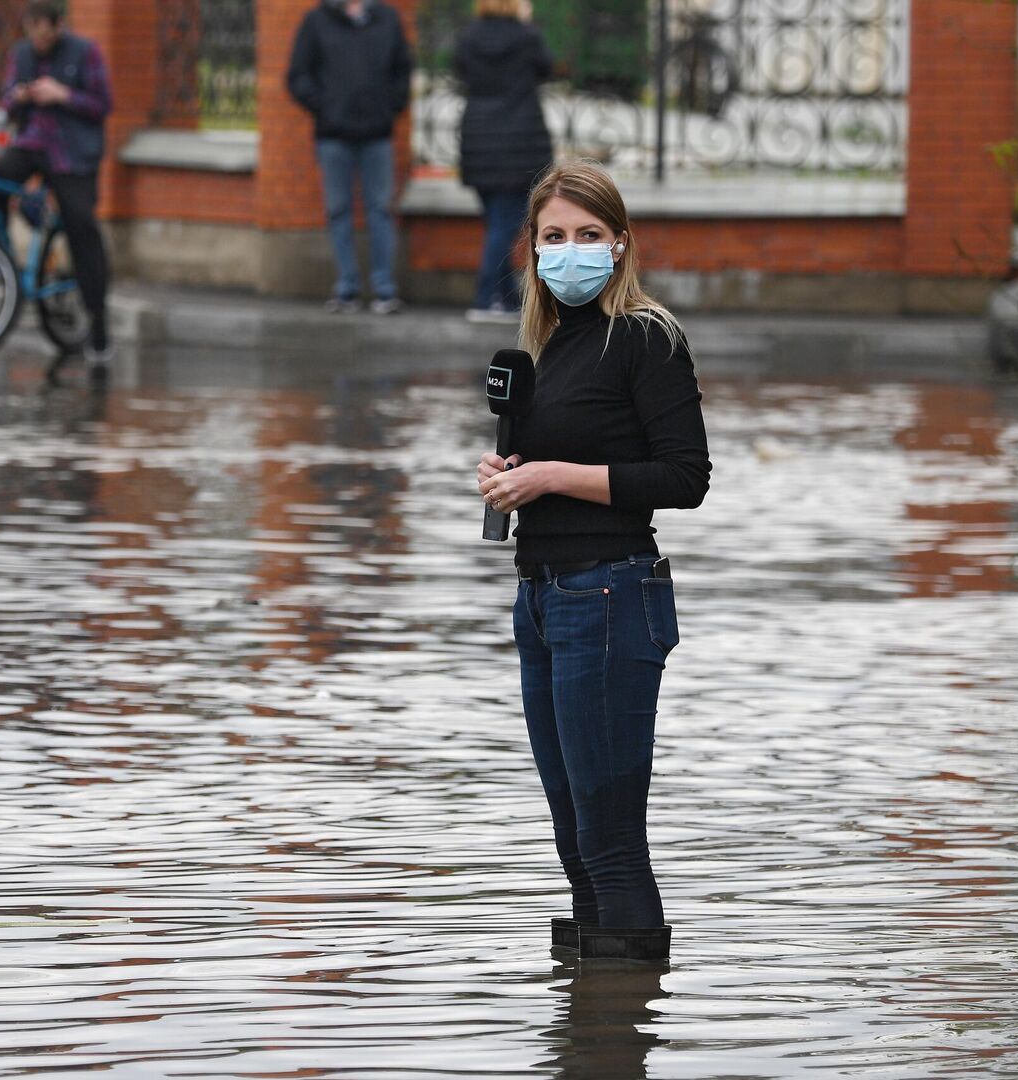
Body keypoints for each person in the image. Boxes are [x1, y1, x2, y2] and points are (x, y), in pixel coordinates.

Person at [474, 161, 711, 963]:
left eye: (587, 236)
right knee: (573, 835)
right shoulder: (542, 348)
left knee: (610, 842)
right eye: (553, 238)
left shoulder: (645, 338)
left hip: (609, 594)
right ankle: (591, 1030)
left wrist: (551, 476)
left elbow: (685, 478)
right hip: (540, 599)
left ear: (619, 246)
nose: (569, 250)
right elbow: (550, 462)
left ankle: (622, 1035)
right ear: (532, 251)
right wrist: (509, 477)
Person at [0, 0, 114, 371]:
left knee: (82, 227)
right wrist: (17, 98)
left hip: (72, 154)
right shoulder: (22, 55)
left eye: (44, 32)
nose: (38, 40)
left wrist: (62, 94)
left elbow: (102, 104)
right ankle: (1, 256)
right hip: (33, 145)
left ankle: (98, 323)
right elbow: (6, 102)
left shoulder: (85, 52)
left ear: (58, 26)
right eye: (32, 32)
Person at [285, 0, 413, 315]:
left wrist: (389, 108)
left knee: (381, 210)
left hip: (377, 135)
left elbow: (403, 70)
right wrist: (325, 108)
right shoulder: (316, 21)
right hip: (333, 136)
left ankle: (385, 290)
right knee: (338, 210)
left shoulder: (387, 19)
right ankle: (347, 289)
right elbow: (297, 75)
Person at [456, 0, 555, 324]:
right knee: (504, 226)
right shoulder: (527, 38)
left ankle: (509, 298)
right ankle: (485, 298)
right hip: (519, 142)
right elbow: (547, 68)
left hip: (480, 141)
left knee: (497, 224)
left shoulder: (470, 37)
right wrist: (527, 24)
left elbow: (460, 71)